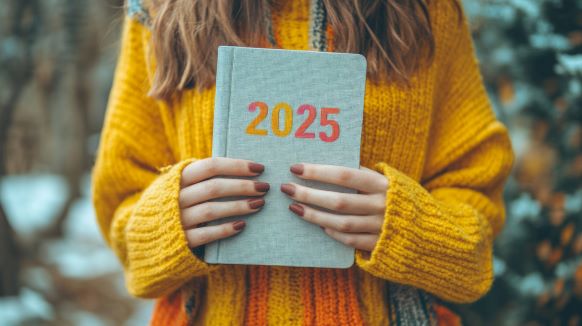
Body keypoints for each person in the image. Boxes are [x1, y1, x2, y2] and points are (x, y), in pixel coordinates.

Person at [92, 0, 515, 324]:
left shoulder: (426, 10)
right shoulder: (158, 10)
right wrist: (171, 220)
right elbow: (121, 208)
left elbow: (474, 215)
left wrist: (410, 226)